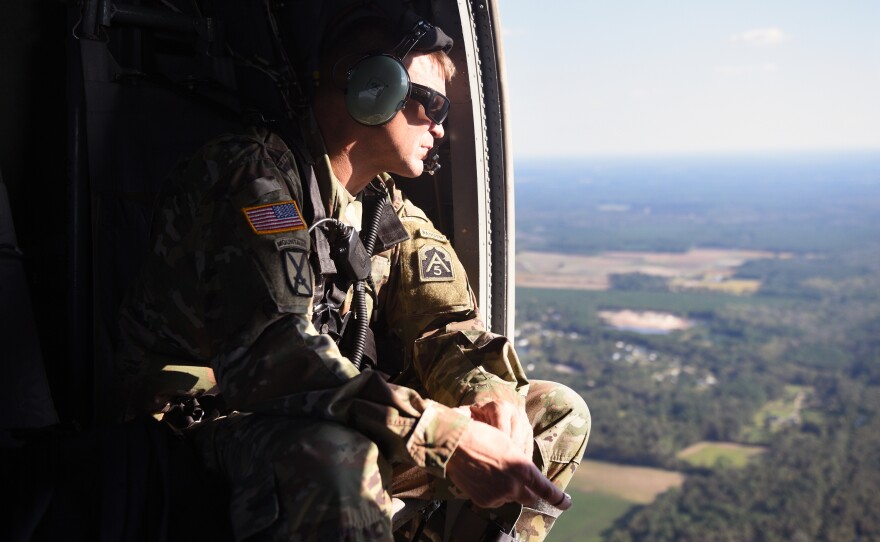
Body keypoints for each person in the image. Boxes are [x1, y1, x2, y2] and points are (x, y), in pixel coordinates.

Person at [114, 6, 589, 541]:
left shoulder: (385, 212)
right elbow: (272, 352)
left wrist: (493, 398)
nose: (439, 124)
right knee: (339, 455)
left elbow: (447, 331)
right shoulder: (253, 176)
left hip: (324, 417)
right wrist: (437, 435)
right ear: (370, 84)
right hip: (201, 433)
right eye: (428, 102)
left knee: (555, 414)